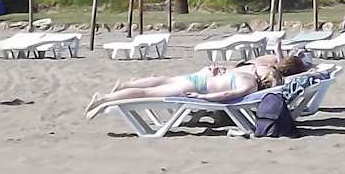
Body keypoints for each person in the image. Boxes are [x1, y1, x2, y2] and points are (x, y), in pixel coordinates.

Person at [90, 52, 308, 115]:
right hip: (198, 88)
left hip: (203, 78)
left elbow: (226, 72)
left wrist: (215, 70)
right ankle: (105, 98)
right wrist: (203, 98)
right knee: (149, 93)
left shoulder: (247, 72)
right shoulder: (250, 86)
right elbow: (225, 96)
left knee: (164, 80)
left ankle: (125, 85)